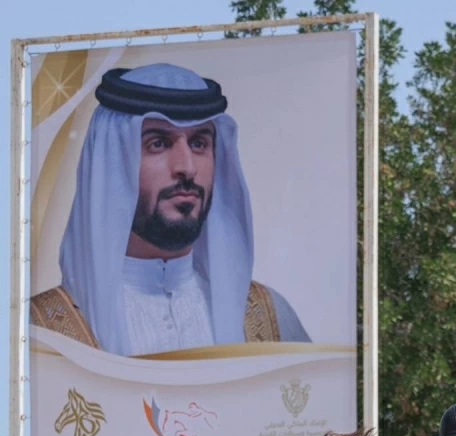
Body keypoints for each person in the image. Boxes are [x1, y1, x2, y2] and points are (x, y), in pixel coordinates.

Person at [30, 63, 309, 356]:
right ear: (113, 165)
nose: (186, 167)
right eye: (158, 143)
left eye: (199, 143)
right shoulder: (40, 335)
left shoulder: (268, 319)